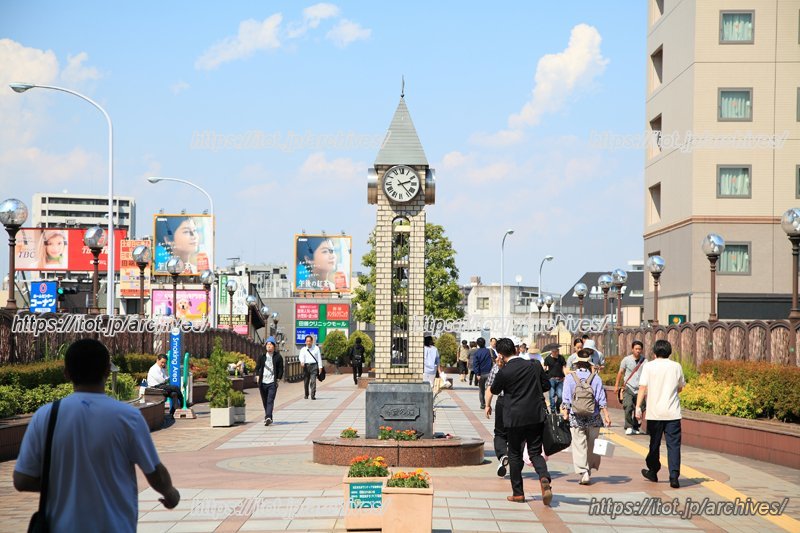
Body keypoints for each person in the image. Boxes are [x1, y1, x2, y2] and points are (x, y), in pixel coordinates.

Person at [13, 339, 180, 533]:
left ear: (66, 373)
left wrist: (67, 484)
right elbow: (154, 471)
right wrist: (170, 493)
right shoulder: (128, 417)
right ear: (108, 371)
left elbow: (22, 479)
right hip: (115, 526)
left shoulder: (46, 416)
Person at [489, 338, 553, 505]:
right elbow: (546, 386)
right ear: (516, 350)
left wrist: (500, 369)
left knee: (515, 453)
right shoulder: (534, 365)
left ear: (501, 355)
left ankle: (518, 493)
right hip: (535, 416)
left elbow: (495, 390)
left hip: (515, 418)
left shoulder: (504, 372)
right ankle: (544, 477)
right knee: (535, 452)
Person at [637, 339, 685, 489]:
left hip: (654, 413)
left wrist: (638, 407)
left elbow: (642, 388)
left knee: (654, 444)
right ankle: (674, 477)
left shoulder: (648, 366)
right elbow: (681, 387)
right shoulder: (676, 366)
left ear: (654, 352)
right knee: (674, 446)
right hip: (673, 413)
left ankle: (653, 470)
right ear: (669, 352)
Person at [561, 349, 611, 485]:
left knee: (579, 445)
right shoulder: (596, 378)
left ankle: (583, 472)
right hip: (594, 417)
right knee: (591, 445)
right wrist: (606, 415)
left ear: (576, 364)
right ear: (590, 363)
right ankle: (588, 469)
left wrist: (565, 413)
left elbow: (566, 399)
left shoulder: (570, 378)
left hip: (576, 417)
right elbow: (601, 398)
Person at [615, 340, 647, 435]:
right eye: (636, 349)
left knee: (641, 408)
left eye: (640, 349)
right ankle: (628, 426)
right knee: (628, 406)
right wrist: (616, 385)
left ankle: (636, 426)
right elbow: (620, 372)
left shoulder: (645, 361)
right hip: (629, 387)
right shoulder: (626, 360)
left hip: (640, 388)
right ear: (632, 349)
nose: (638, 351)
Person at [484, 352, 508, 477]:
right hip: (518, 403)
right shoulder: (518, 365)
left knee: (500, 433)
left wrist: (487, 405)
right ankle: (513, 460)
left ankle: (503, 455)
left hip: (502, 402)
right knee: (517, 434)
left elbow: (490, 388)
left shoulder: (496, 368)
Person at [255, 336, 284, 426]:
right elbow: (257, 367)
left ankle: (268, 417)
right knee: (265, 400)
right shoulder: (262, 356)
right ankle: (268, 416)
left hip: (272, 382)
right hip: (263, 382)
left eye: (271, 344)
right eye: (267, 344)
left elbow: (280, 369)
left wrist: (278, 379)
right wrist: (257, 376)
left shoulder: (278, 357)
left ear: (274, 346)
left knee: (270, 400)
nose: (269, 346)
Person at [147, 354, 185, 419]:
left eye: (164, 363)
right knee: (175, 388)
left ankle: (173, 413)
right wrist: (166, 379)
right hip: (155, 388)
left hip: (161, 386)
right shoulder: (154, 369)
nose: (163, 364)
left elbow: (165, 378)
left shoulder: (161, 369)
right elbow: (162, 380)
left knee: (174, 394)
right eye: (162, 362)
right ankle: (182, 403)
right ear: (157, 360)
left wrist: (166, 378)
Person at [543, 346, 567, 414]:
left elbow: (564, 368)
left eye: (557, 351)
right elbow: (545, 368)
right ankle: (553, 409)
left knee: (560, 396)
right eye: (554, 352)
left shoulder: (561, 358)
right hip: (551, 379)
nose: (556, 353)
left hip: (560, 379)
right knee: (551, 395)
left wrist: (566, 377)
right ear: (551, 351)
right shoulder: (547, 359)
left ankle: (557, 405)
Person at [299, 335, 323, 400]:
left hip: (314, 366)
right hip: (306, 366)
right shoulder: (303, 349)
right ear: (305, 342)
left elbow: (319, 358)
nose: (308, 342)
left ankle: (313, 395)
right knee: (306, 382)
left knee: (313, 381)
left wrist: (320, 367)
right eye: (307, 341)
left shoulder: (316, 348)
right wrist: (302, 362)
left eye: (309, 341)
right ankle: (306, 394)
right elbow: (301, 357)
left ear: (312, 341)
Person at [472, 337, 493, 409]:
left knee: (481, 389)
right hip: (489, 373)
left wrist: (477, 374)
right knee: (489, 389)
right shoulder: (490, 351)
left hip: (480, 374)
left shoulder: (477, 352)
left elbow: (475, 364)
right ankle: (488, 403)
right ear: (485, 343)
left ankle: (482, 404)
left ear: (477, 344)